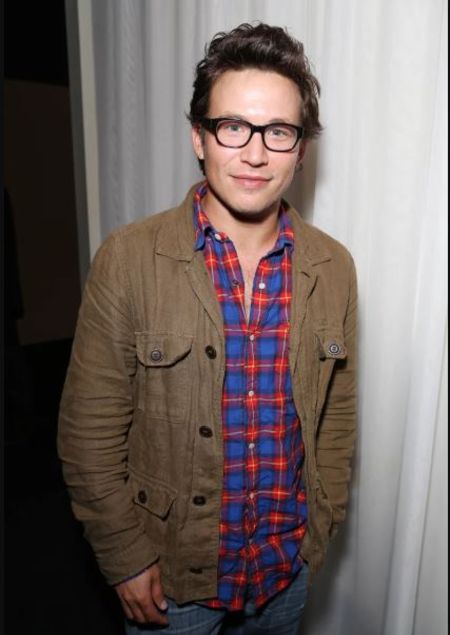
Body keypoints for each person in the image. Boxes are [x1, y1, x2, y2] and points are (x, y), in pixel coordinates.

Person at [58, 22, 357, 634]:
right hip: (171, 583)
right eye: (232, 128)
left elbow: (337, 421)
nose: (254, 153)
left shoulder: (334, 267)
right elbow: (87, 434)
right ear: (199, 137)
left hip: (285, 575)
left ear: (301, 149)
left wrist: (317, 533)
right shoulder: (129, 258)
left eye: (278, 132)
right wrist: (124, 557)